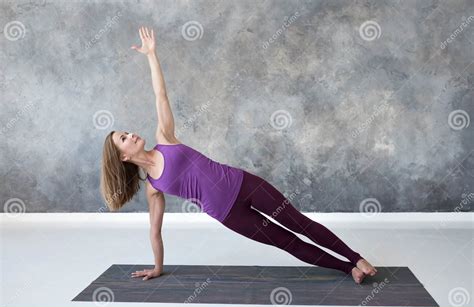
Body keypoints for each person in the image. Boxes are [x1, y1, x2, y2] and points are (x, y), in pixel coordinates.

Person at [100, 26, 377, 284]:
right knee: (288, 242)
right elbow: (155, 231)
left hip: (243, 184)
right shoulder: (153, 187)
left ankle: (357, 257)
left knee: (299, 223)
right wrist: (158, 267)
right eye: (124, 138)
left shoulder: (165, 137)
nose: (131, 134)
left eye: (126, 131)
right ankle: (348, 269)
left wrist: (151, 55)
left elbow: (160, 94)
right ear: (123, 157)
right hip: (230, 214)